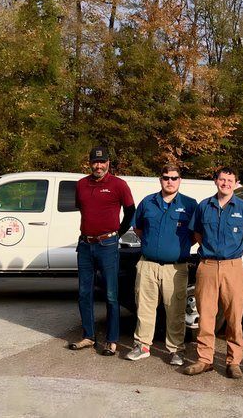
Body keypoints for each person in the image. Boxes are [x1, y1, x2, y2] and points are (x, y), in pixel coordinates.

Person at [181, 166, 243, 378]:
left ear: (236, 183)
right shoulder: (204, 206)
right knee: (206, 315)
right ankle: (205, 360)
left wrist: (237, 252)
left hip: (232, 267)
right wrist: (210, 251)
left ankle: (234, 362)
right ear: (216, 181)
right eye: (222, 179)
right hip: (206, 266)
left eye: (229, 180)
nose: (225, 183)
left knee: (234, 316)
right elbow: (197, 232)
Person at [126, 164, 198, 366]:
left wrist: (177, 248)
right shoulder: (148, 202)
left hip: (175, 268)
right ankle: (142, 346)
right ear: (160, 179)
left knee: (175, 310)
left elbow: (194, 235)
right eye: (166, 177)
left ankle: (176, 350)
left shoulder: (190, 204)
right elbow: (138, 228)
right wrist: (152, 246)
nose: (170, 181)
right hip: (148, 265)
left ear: (180, 180)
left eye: (174, 178)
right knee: (144, 308)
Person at [70, 146, 135, 356]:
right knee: (84, 293)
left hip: (107, 245)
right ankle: (88, 336)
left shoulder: (119, 185)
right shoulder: (81, 185)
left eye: (102, 162)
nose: (98, 166)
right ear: (90, 163)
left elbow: (130, 212)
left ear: (108, 162)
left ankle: (112, 340)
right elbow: (83, 209)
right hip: (85, 245)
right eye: (95, 162)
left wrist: (117, 232)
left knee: (111, 294)